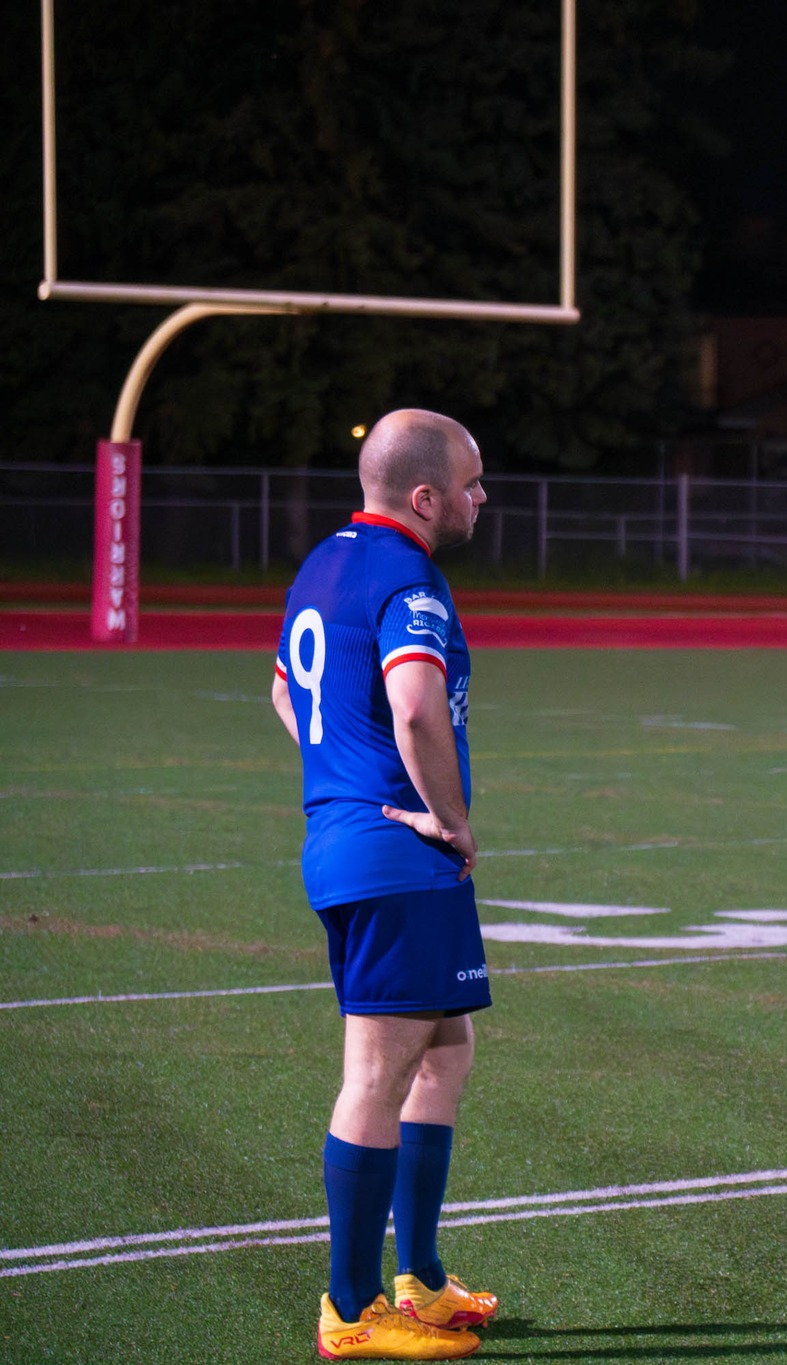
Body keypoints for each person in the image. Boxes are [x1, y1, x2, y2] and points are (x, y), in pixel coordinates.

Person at [271, 409, 500, 1360]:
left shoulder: (323, 564)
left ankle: (423, 1280)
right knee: (375, 1075)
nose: (482, 496)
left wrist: (340, 776)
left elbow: (284, 691)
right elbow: (413, 708)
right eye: (472, 483)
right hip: (397, 854)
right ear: (426, 497)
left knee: (445, 1050)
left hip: (355, 846)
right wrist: (448, 817)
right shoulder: (411, 577)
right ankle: (351, 1308)